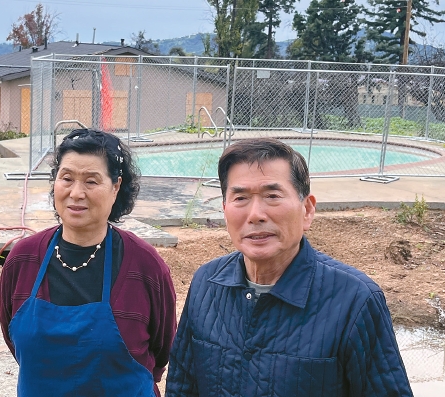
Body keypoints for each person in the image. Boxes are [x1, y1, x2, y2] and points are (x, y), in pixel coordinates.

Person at [166, 138, 413, 397]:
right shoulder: (207, 283)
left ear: (307, 210)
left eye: (272, 196)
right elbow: (182, 384)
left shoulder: (354, 300)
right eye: (240, 198)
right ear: (225, 209)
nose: (256, 214)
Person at [0, 129, 176, 396]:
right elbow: (14, 340)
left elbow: (162, 351)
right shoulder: (23, 259)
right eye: (66, 178)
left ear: (116, 187)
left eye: (91, 181)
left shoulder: (145, 265)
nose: (76, 193)